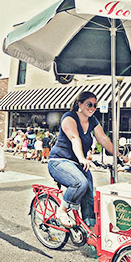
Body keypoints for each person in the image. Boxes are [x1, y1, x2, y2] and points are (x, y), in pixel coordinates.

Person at [48, 91, 114, 228]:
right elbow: (74, 138)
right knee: (80, 183)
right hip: (59, 161)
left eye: (95, 105)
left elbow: (103, 139)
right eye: (89, 104)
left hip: (78, 164)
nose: (92, 108)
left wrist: (118, 155)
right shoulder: (69, 118)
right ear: (80, 104)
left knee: (89, 192)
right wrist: (82, 158)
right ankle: (62, 210)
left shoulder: (93, 121)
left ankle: (89, 227)